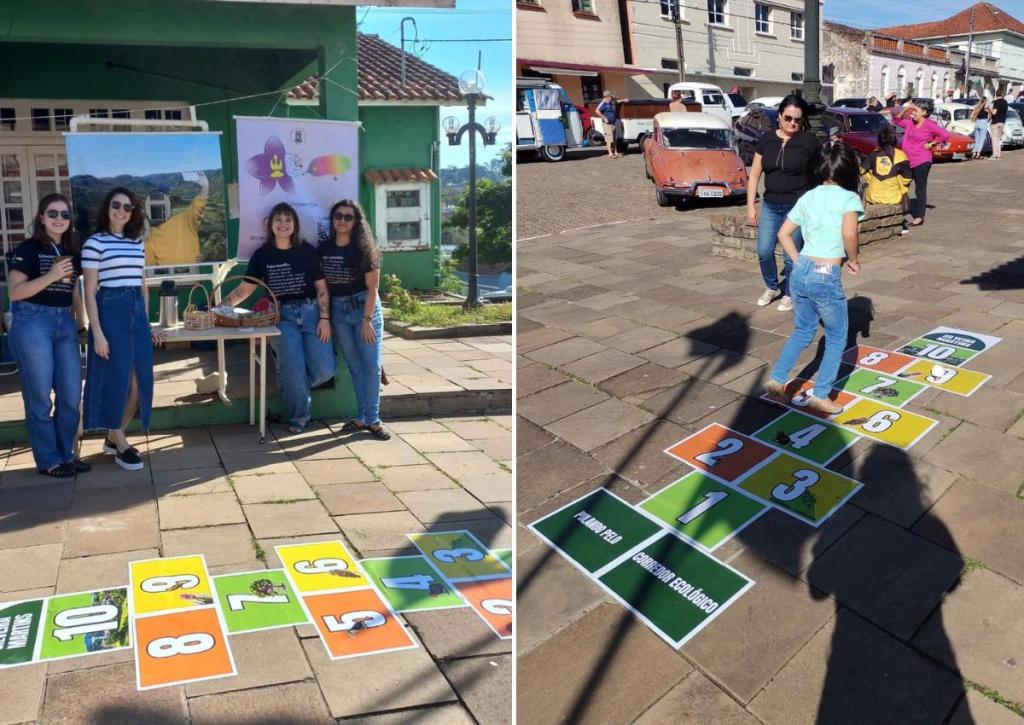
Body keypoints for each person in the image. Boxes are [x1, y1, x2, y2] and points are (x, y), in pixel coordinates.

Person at [765, 142, 864, 414]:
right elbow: (849, 234)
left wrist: (798, 262)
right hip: (826, 273)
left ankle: (777, 378)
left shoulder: (808, 197)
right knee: (836, 336)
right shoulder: (849, 198)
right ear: (848, 171)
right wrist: (853, 259)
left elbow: (783, 234)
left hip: (801, 270)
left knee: (803, 331)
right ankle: (821, 394)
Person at [221, 202, 334, 433]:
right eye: (278, 220)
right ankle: (299, 416)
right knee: (292, 369)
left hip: (312, 313)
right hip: (280, 316)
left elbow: (321, 287)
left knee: (325, 370)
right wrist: (220, 307)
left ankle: (293, 384)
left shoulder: (307, 250)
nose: (283, 224)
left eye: (287, 220)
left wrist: (325, 318)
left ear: (295, 225)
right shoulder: (262, 255)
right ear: (270, 225)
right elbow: (246, 288)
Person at [81, 188, 164, 471]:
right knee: (118, 380)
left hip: (136, 314)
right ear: (107, 208)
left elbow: (142, 286)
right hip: (110, 313)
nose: (121, 211)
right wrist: (98, 333)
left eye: (127, 208)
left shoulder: (136, 242)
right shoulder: (94, 243)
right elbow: (89, 292)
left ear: (134, 213)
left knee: (140, 384)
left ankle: (113, 434)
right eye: (116, 205)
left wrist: (148, 323)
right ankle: (120, 442)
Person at [8, 194, 89, 477]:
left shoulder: (71, 249)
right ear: (41, 217)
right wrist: (52, 275)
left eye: (65, 215)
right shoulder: (27, 250)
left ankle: (67, 455)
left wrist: (81, 325)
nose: (59, 219)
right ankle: (49, 460)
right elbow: (15, 293)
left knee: (70, 396)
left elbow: (74, 292)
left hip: (64, 323)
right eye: (52, 213)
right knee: (40, 397)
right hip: (32, 322)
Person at [319, 200, 390, 441]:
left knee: (371, 366)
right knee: (355, 367)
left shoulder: (364, 248)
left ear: (355, 221)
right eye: (338, 215)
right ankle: (362, 417)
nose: (342, 220)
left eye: (348, 217)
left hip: (364, 310)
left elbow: (373, 288)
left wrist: (367, 320)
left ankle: (373, 420)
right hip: (339, 312)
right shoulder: (325, 248)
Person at [746, 95, 819, 312]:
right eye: (788, 118)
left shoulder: (808, 141)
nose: (793, 123)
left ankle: (790, 292)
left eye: (797, 120)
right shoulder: (767, 140)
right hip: (771, 204)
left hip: (796, 207)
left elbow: (820, 171)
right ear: (779, 117)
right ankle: (772, 286)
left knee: (790, 255)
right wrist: (751, 205)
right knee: (764, 250)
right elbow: (754, 175)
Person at [893, 101, 949, 226]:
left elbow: (945, 134)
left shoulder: (930, 125)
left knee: (920, 189)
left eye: (916, 111)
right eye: (913, 110)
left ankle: (919, 217)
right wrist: (907, 108)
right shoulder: (909, 123)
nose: (913, 113)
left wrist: (932, 143)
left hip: (922, 160)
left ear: (924, 113)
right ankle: (897, 212)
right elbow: (896, 121)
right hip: (908, 159)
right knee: (902, 185)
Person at [145, 170, 209, 266]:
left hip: (194, 278)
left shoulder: (184, 220)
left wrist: (204, 187)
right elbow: (150, 269)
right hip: (170, 280)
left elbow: (199, 205)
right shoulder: (149, 238)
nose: (158, 210)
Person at [860, 126, 912, 207]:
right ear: (894, 140)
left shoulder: (873, 155)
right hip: (894, 197)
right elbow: (907, 179)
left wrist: (869, 179)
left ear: (879, 140)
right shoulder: (901, 155)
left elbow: (860, 171)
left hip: (873, 195)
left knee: (868, 172)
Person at [596, 90, 622, 159]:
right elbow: (597, 111)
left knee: (614, 139)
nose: (611, 97)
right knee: (609, 139)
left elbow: (617, 101)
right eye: (610, 96)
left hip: (613, 123)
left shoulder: (611, 102)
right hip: (607, 124)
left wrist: (624, 100)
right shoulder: (603, 103)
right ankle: (610, 154)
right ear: (606, 96)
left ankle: (616, 152)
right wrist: (604, 118)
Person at [989, 90, 1008, 159]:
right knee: (999, 139)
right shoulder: (1005, 102)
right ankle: (998, 154)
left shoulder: (996, 102)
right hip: (1002, 122)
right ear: (1002, 95)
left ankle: (994, 155)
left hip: (995, 122)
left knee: (994, 139)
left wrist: (989, 108)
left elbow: (994, 113)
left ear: (996, 95)